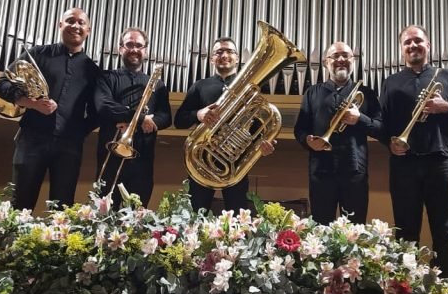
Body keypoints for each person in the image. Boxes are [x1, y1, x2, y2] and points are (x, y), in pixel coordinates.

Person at [380, 25, 448, 277]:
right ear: (402, 49)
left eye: (418, 41)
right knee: (405, 231)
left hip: (441, 161)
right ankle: (405, 292)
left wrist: (446, 108)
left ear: (428, 45)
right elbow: (383, 124)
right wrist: (388, 142)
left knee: (445, 231)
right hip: (404, 164)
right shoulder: (391, 83)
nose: (413, 46)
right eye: (407, 42)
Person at [0, 7, 101, 210]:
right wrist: (32, 104)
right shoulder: (37, 54)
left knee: (62, 208)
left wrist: (77, 131)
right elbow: (2, 85)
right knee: (20, 203)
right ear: (60, 25)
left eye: (81, 23)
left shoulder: (92, 70)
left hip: (69, 147)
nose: (75, 26)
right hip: (32, 139)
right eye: (70, 21)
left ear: (88, 30)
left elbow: (97, 114)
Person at [175, 36, 276, 213]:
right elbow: (179, 120)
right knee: (195, 215)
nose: (224, 55)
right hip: (202, 162)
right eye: (219, 52)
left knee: (237, 216)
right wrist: (198, 114)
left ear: (237, 58)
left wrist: (263, 142)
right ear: (212, 59)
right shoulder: (200, 86)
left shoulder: (251, 88)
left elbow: (258, 123)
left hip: (235, 163)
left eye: (230, 51)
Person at [294, 41, 382, 225]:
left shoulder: (367, 93)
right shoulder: (312, 93)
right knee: (319, 228)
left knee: (354, 229)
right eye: (335, 56)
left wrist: (360, 119)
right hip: (321, 171)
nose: (341, 60)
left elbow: (381, 128)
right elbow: (300, 130)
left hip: (354, 172)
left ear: (353, 61)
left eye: (346, 56)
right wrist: (307, 140)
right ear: (326, 62)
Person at [93, 28, 172, 208]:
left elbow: (166, 116)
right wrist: (140, 118)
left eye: (139, 45)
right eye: (129, 44)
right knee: (104, 212)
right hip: (111, 153)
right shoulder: (106, 77)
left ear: (145, 51)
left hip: (143, 158)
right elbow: (103, 106)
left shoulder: (157, 85)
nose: (134, 49)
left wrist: (152, 122)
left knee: (138, 213)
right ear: (120, 48)